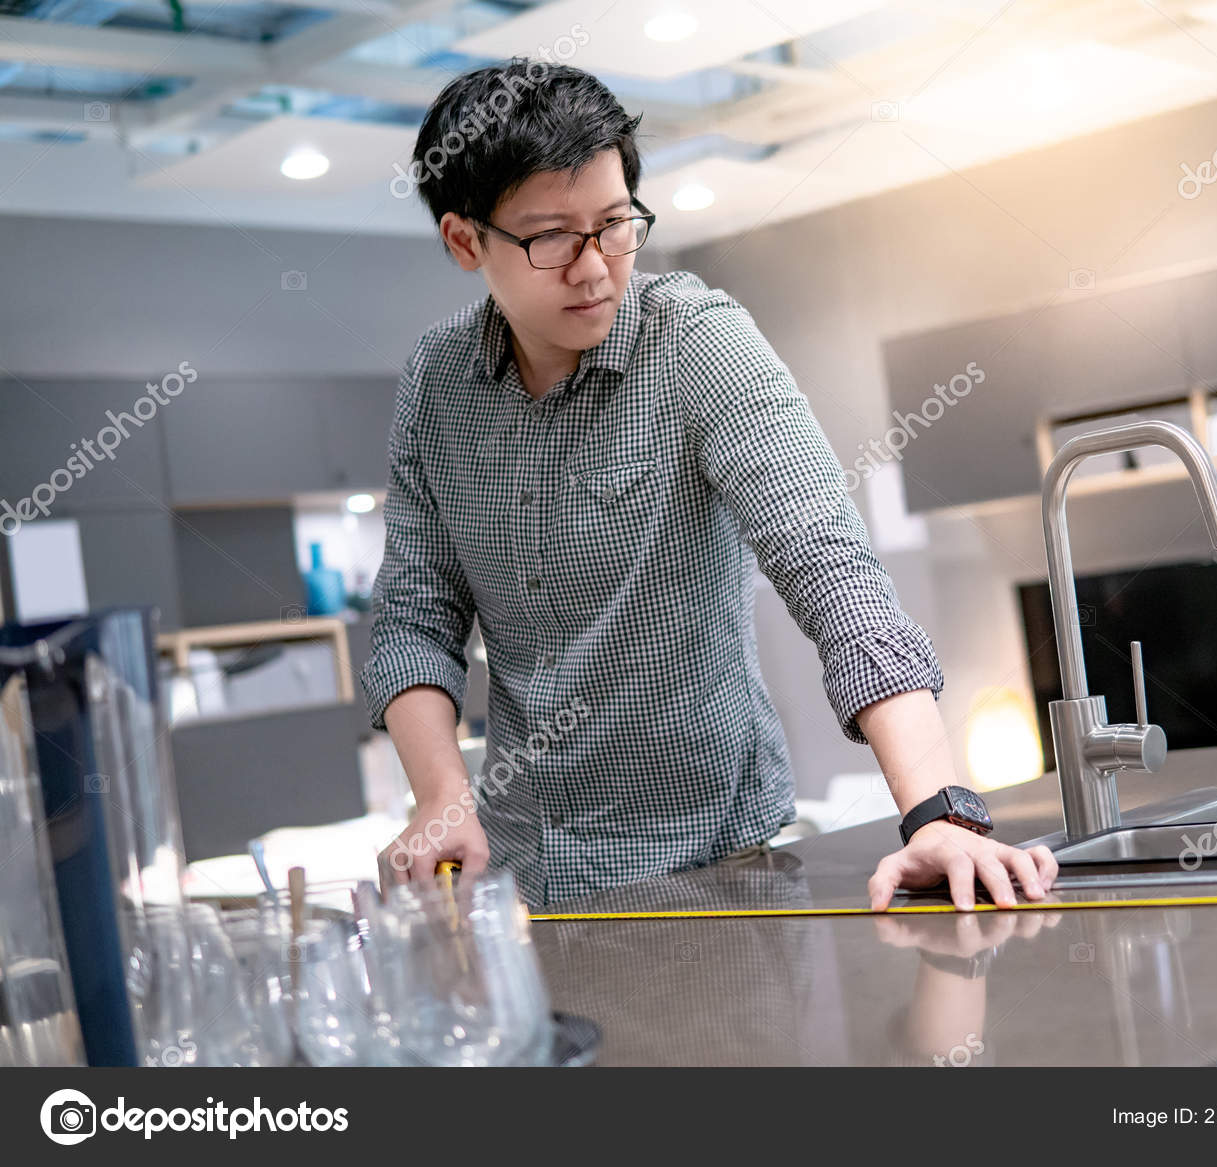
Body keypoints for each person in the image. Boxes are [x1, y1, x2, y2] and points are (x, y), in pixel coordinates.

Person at [363, 60, 1057, 911]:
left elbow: (832, 572)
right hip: (520, 880)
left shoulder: (696, 345)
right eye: (552, 238)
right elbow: (414, 614)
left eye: (615, 224)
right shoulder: (437, 383)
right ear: (465, 241)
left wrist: (938, 811)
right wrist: (441, 795)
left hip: (718, 871)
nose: (594, 269)